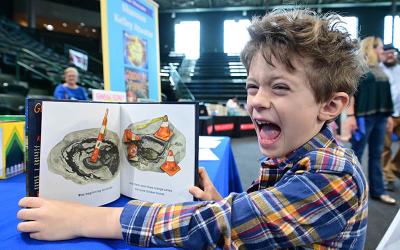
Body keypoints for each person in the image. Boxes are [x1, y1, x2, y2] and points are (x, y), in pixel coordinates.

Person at [17, 9, 369, 249]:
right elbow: (264, 215)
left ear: (331, 105)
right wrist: (219, 201)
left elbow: (222, 224)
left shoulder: (333, 173)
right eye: (252, 86)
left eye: (279, 87)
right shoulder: (294, 152)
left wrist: (84, 219)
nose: (258, 101)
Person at [345, 37, 396, 204]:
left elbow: (385, 95)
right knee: (357, 154)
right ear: (371, 48)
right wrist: (351, 116)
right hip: (363, 118)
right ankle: (351, 194)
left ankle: (378, 191)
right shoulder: (359, 69)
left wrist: (388, 116)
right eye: (380, 47)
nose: (383, 50)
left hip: (380, 118)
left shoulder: (382, 69)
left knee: (376, 155)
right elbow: (351, 95)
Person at [381, 44, 400, 191]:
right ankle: (389, 177)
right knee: (386, 147)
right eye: (387, 53)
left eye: (392, 53)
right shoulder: (378, 71)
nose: (390, 55)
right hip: (387, 115)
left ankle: (394, 167)